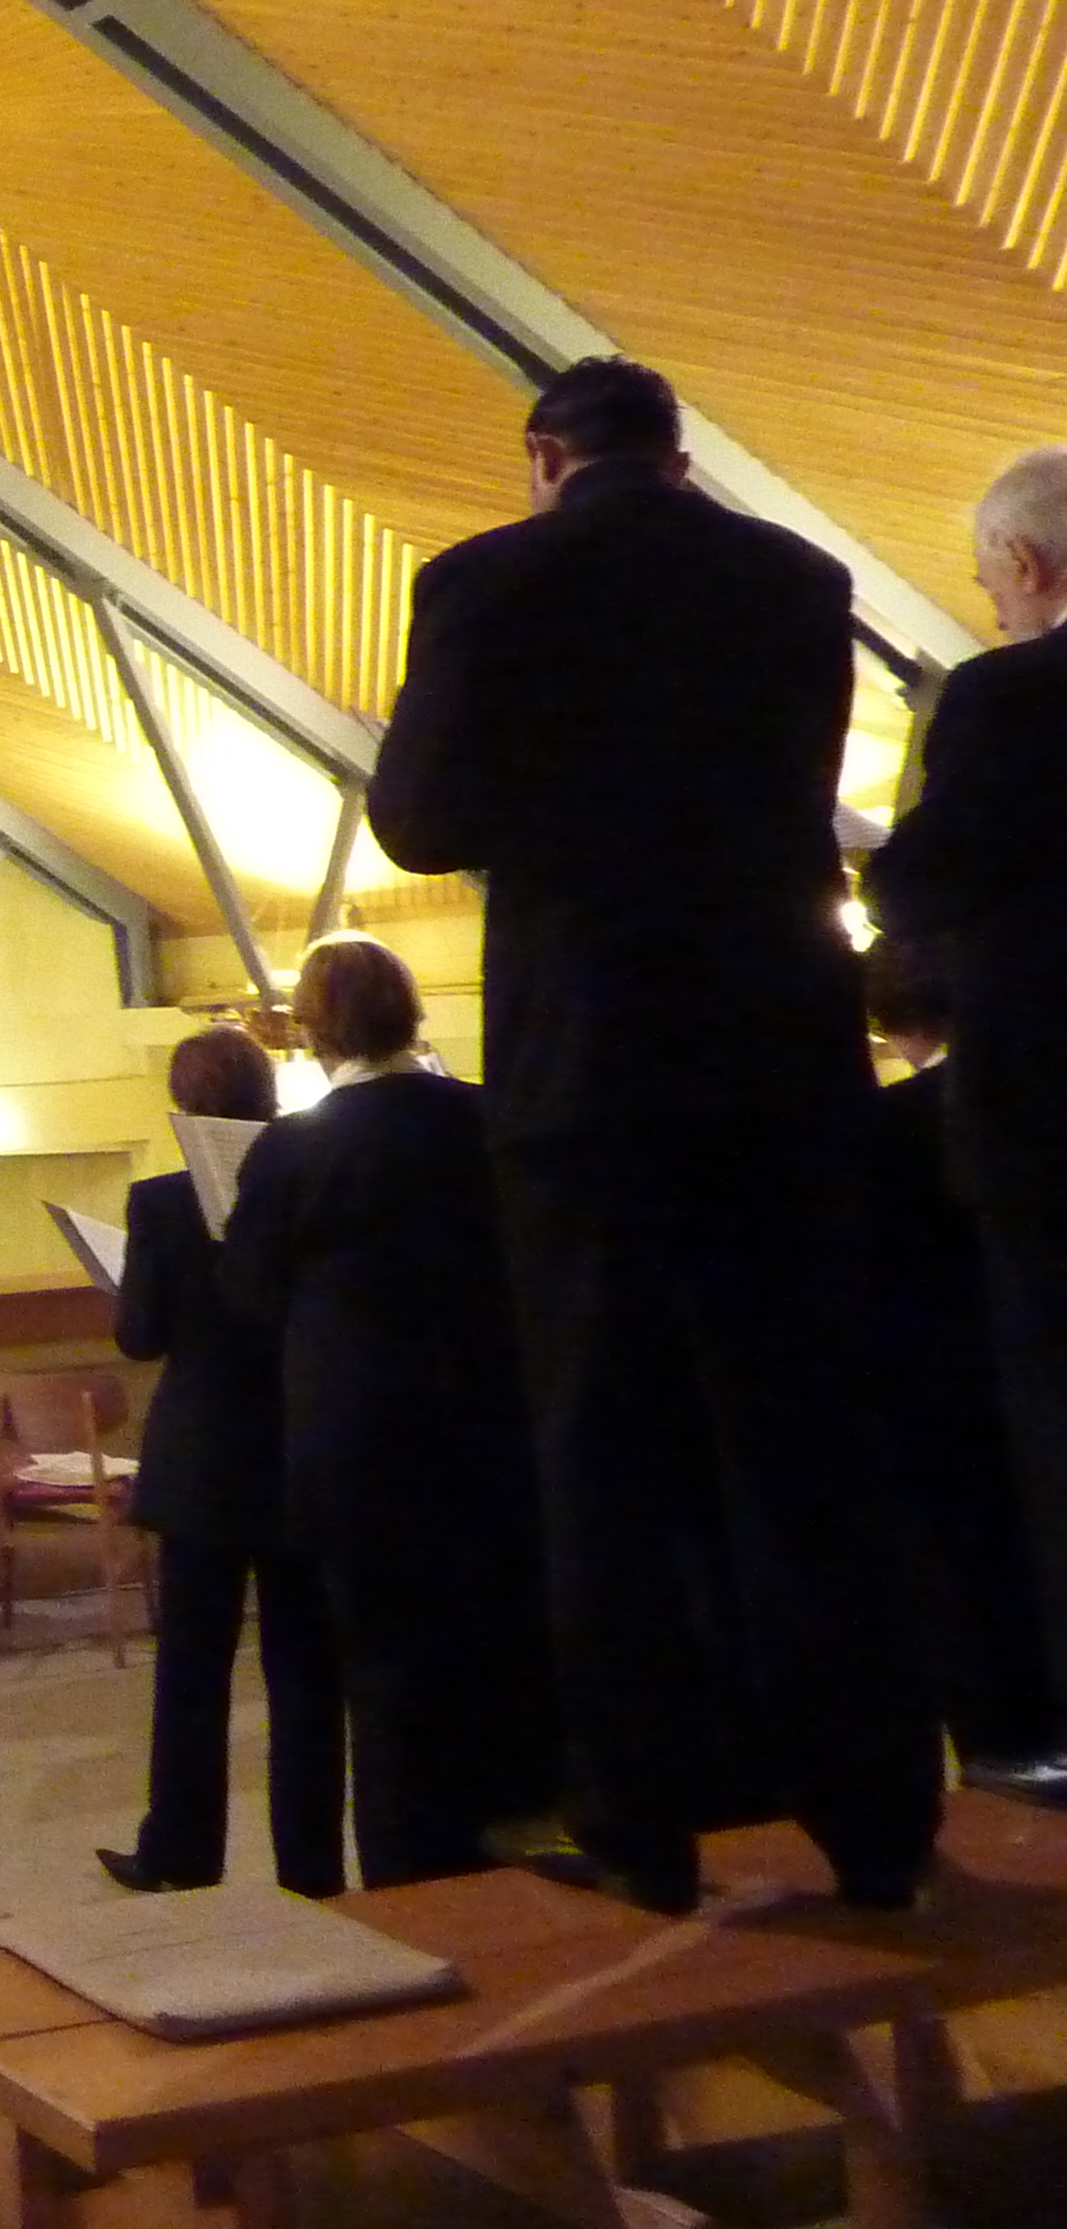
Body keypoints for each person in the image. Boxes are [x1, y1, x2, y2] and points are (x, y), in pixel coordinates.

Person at [368, 355, 940, 1911]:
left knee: (602, 1453)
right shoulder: (798, 577)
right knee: (809, 1441)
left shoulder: (485, 581)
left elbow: (421, 820)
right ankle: (878, 1816)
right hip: (782, 1062)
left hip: (591, 1069)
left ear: (547, 455)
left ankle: (642, 1826)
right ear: (678, 458)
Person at [220, 937, 557, 1888]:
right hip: (490, 1429)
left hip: (359, 1441)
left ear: (316, 1029)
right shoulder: (483, 1117)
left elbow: (249, 1294)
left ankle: (411, 1873)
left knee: (386, 1671)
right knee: (496, 1645)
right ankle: (507, 1852)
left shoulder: (296, 1147)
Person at [863, 444, 1067, 1735]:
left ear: (1028, 564)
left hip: (1047, 1127)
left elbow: (919, 883)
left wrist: (873, 863)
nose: (992, 606)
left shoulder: (1007, 697)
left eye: (992, 584)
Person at [102, 1024, 344, 1897]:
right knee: (306, 1675)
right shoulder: (314, 1184)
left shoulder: (161, 1202)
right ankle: (310, 1868)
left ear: (185, 1105)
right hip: (296, 1447)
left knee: (192, 1671)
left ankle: (180, 1853)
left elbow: (140, 1336)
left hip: (203, 1464)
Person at [856, 940, 1067, 1793]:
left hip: (938, 1388)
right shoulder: (1035, 1101)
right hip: (1034, 1357)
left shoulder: (884, 1128)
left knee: (971, 1573)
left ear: (891, 1023)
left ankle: (1007, 1746)